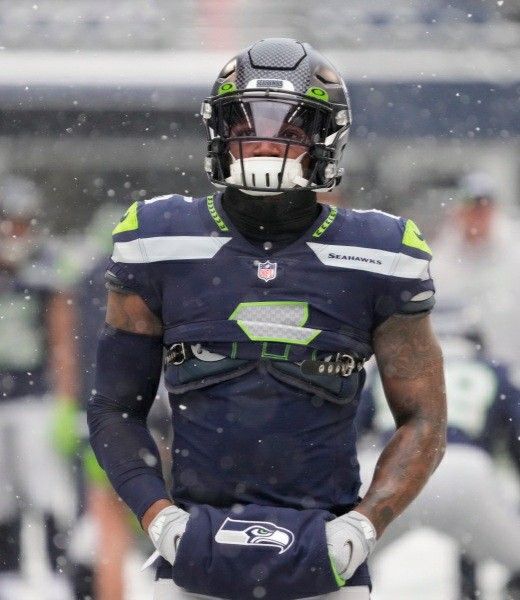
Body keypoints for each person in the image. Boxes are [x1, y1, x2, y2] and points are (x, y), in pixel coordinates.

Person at [87, 38, 446, 600]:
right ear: (220, 131)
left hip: (326, 554)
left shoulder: (383, 254)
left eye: (290, 129)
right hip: (193, 551)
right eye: (248, 123)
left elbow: (424, 418)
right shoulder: (158, 240)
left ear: (326, 140)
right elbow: (114, 405)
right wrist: (158, 516)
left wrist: (363, 525)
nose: (266, 142)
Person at [356, 308, 520, 599]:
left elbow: (351, 429)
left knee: (340, 569)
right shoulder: (491, 369)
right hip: (464, 470)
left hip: (390, 470)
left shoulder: (389, 365)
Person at [0, 176, 76, 599]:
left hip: (35, 395)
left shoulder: (44, 264)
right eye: (10, 223)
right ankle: (8, 572)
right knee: (2, 494)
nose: (16, 233)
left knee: (45, 488)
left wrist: (64, 400)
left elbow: (63, 336)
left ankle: (53, 569)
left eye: (23, 223)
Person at [432, 171, 520, 373]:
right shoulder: (440, 262)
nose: (478, 216)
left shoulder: (515, 256)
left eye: (484, 209)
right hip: (463, 377)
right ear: (459, 211)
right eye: (472, 208)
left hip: (512, 374)